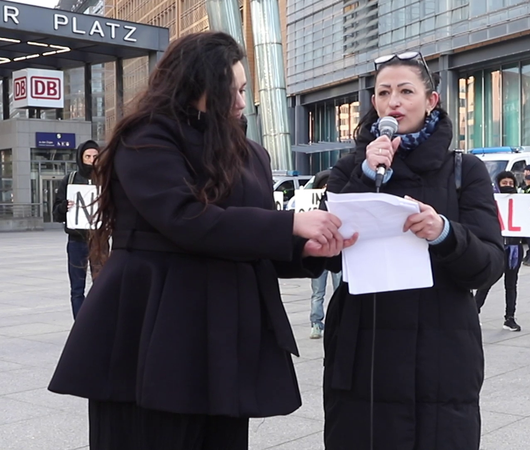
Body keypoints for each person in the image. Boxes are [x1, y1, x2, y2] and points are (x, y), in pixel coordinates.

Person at [48, 32, 353, 450]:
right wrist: (290, 226)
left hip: (226, 334)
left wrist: (304, 251)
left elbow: (247, 238)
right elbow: (185, 219)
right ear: (197, 85)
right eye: (234, 90)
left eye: (245, 90)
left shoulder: (251, 153)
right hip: (154, 326)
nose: (243, 102)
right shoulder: (147, 138)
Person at [321, 51, 504, 450]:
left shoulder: (464, 171)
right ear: (374, 104)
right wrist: (365, 177)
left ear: (431, 100)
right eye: (384, 93)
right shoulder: (351, 168)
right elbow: (320, 249)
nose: (394, 102)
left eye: (406, 91)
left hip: (441, 354)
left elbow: (489, 263)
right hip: (362, 353)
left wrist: (444, 233)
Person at [474, 171, 530, 331]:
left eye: (511, 183)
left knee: (511, 285)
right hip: (496, 247)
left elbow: (529, 224)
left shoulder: (522, 202)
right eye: (504, 183)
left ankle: (510, 318)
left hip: (514, 249)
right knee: (486, 282)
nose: (508, 186)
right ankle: (474, 313)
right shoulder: (491, 202)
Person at [52, 140, 100, 319]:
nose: (91, 160)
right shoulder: (70, 179)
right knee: (77, 288)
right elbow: (56, 213)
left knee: (102, 285)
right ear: (81, 158)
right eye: (88, 156)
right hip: (77, 240)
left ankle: (97, 322)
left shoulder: (106, 177)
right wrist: (64, 207)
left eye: (95, 157)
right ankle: (80, 325)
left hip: (99, 241)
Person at [309, 169, 343, 339]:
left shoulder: (336, 200)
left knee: (338, 290)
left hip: (335, 250)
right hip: (322, 251)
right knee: (318, 292)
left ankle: (335, 320)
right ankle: (316, 323)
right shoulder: (325, 202)